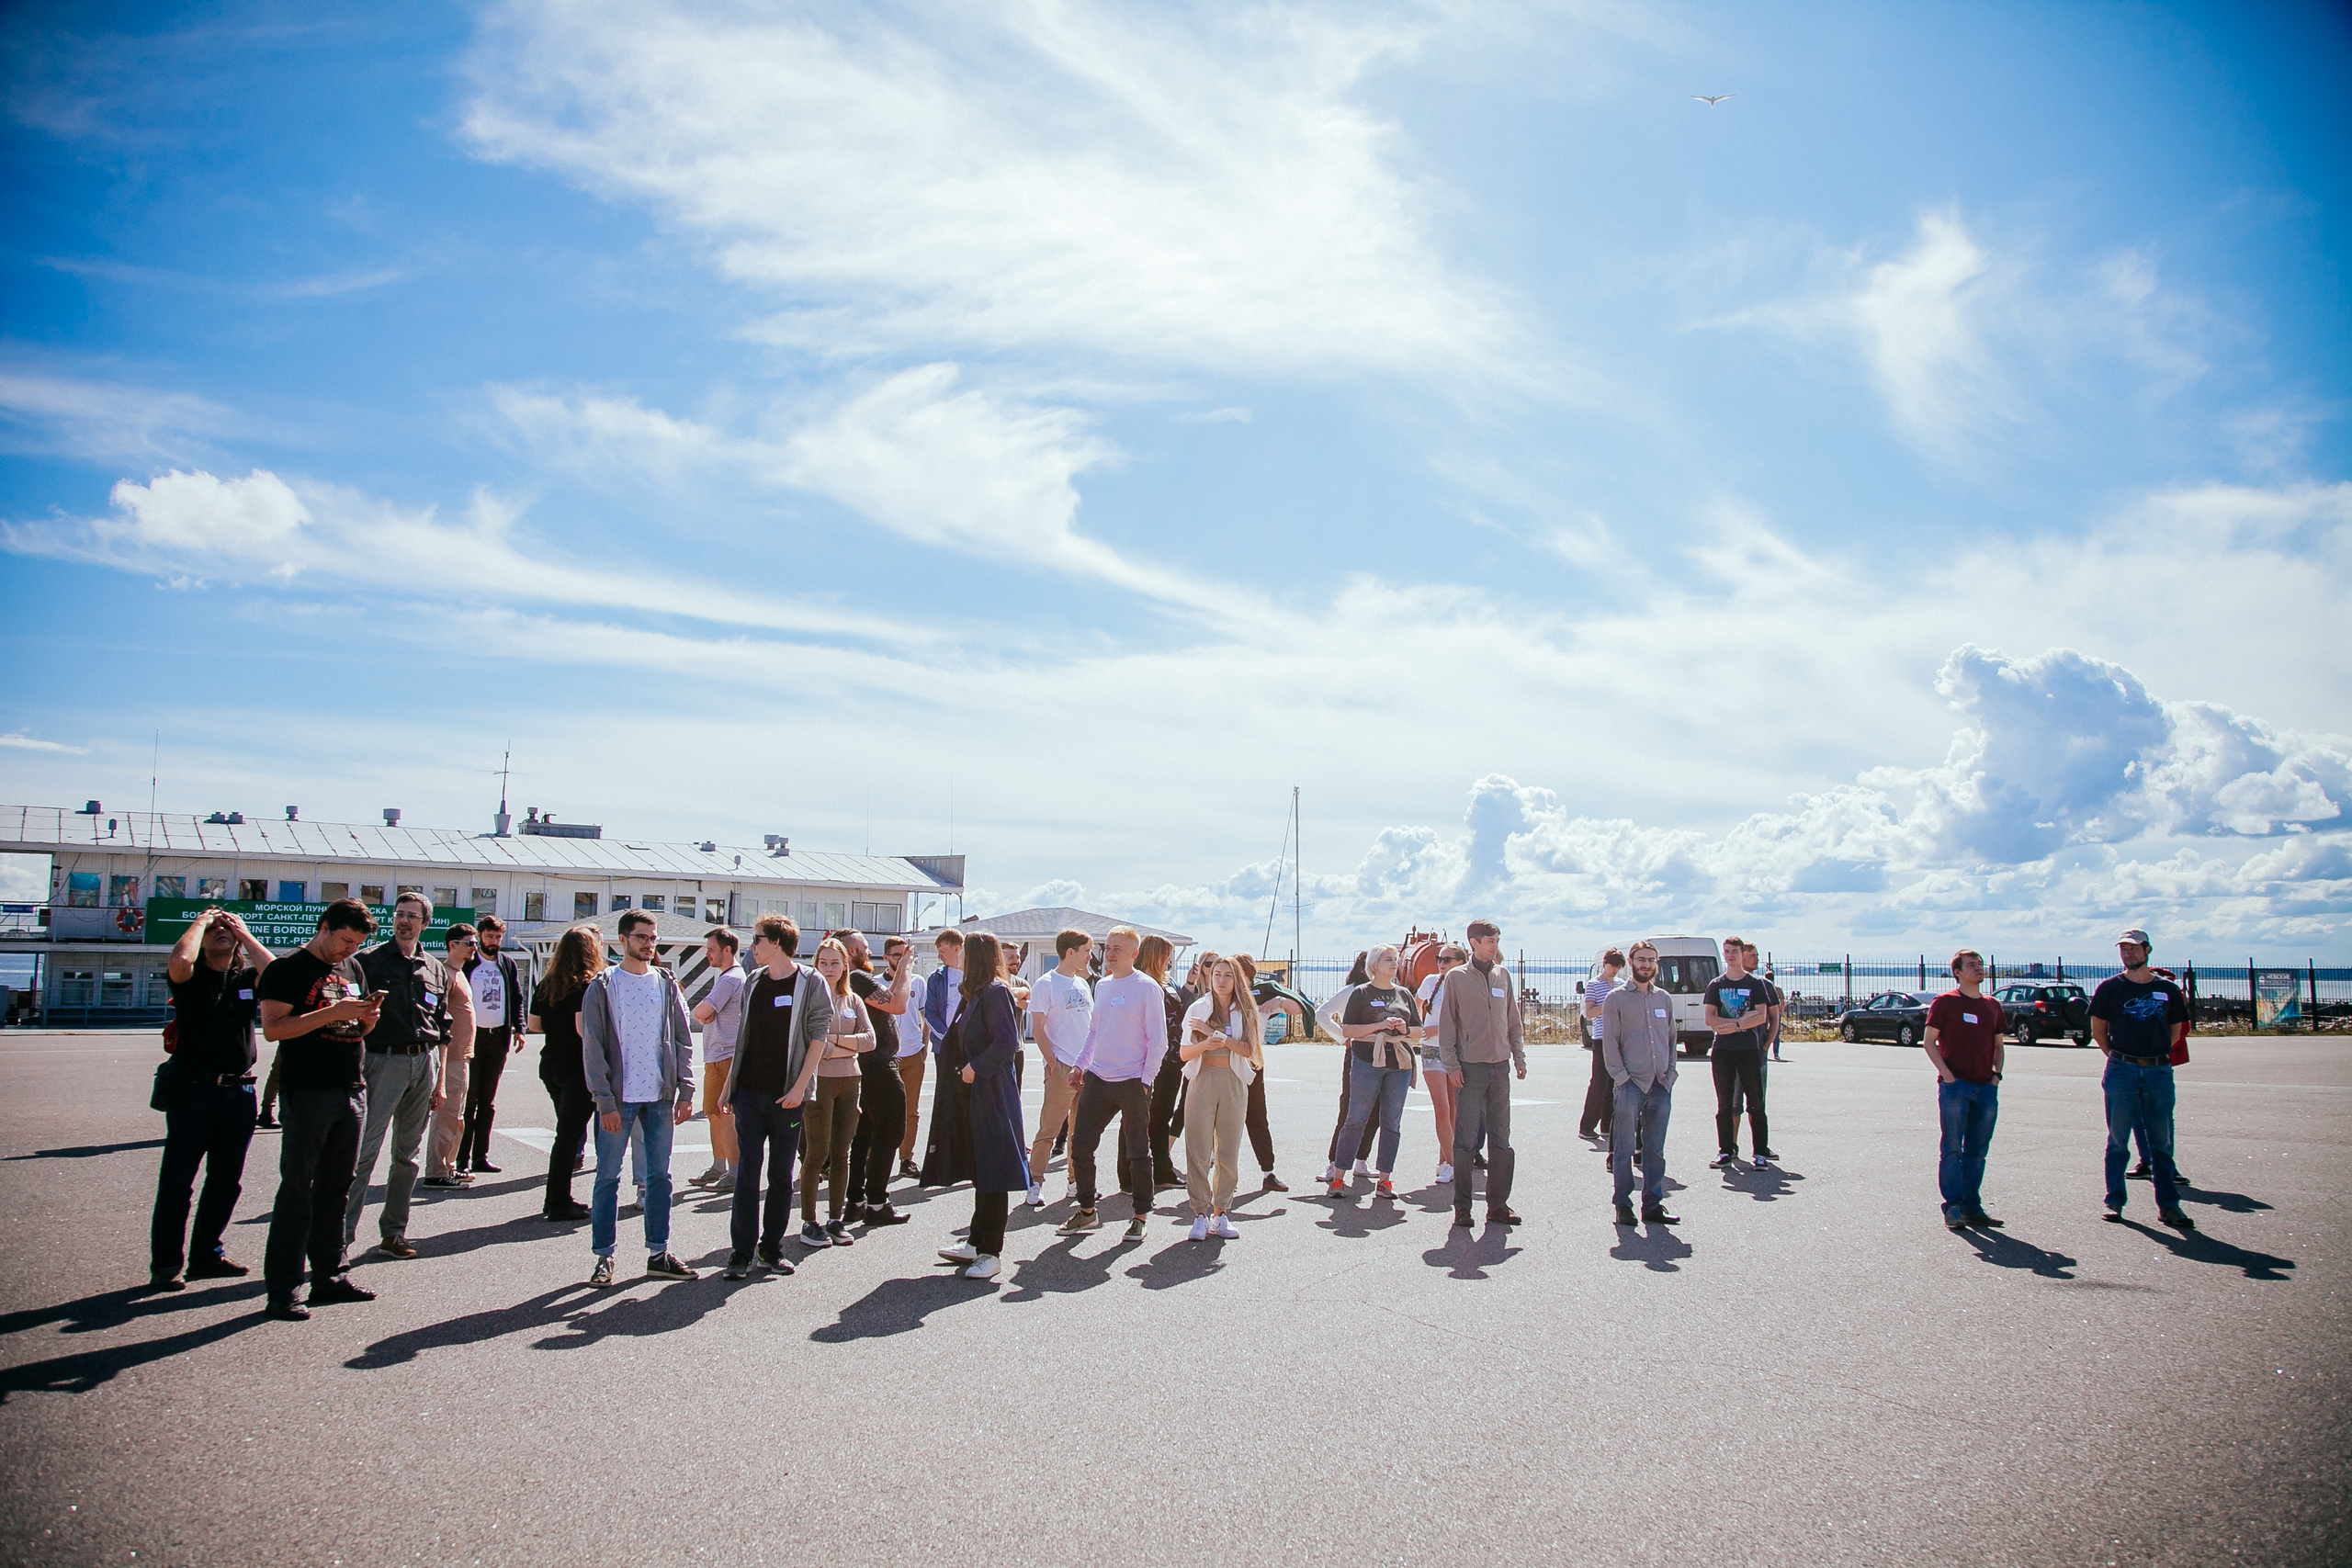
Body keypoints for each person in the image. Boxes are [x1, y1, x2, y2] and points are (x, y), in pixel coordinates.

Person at [256, 898, 384, 1321]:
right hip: (308, 1090)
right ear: (325, 926)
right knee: (297, 1191)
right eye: (345, 940)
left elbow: (356, 1022)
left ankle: (330, 1275)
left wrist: (367, 1019)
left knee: (337, 1189)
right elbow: (274, 1029)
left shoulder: (353, 968)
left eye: (358, 943)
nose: (349, 950)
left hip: (352, 1087)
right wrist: (332, 1011)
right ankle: (284, 1289)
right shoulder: (287, 969)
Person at [150, 907, 275, 1290]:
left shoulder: (246, 976)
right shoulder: (191, 978)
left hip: (239, 1093)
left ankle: (207, 1255)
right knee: (178, 1181)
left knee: (226, 1181)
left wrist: (246, 934)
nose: (222, 931)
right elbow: (179, 959)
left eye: (228, 927)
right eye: (215, 929)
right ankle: (167, 1263)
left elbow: (279, 977)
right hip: (195, 1091)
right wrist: (202, 921)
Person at [579, 908, 699, 1284]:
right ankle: (604, 1257)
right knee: (607, 1179)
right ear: (622, 941)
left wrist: (686, 1087)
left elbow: (683, 1037)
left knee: (660, 1178)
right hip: (620, 1100)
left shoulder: (665, 983)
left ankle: (658, 1253)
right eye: (641, 938)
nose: (649, 944)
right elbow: (594, 1047)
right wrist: (604, 1101)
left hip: (660, 1098)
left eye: (652, 937)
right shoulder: (603, 985)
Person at [718, 915, 832, 1280]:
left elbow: (819, 1036)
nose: (752, 946)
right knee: (747, 1174)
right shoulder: (753, 980)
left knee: (781, 1175)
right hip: (749, 1093)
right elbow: (743, 1038)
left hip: (788, 1097)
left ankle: (771, 1249)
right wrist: (728, 1086)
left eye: (757, 939)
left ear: (778, 943)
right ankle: (741, 1252)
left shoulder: (810, 981)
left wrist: (801, 1086)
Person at [344, 892, 454, 1264]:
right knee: (362, 1155)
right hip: (380, 1062)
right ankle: (339, 1240)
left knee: (407, 1157)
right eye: (399, 915)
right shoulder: (367, 962)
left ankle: (393, 1233)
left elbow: (441, 1026)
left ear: (425, 922)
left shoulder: (435, 968)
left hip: (423, 1063)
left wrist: (439, 1081)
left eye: (412, 916)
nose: (404, 921)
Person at [1057, 927, 1166, 1242]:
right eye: (1109, 948)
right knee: (1081, 1145)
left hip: (1133, 1081)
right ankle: (1087, 1212)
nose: (1112, 953)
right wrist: (1080, 1065)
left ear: (1135, 954)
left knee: (1137, 1151)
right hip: (1098, 1078)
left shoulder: (1147, 988)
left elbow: (1158, 1040)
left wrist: (1145, 1081)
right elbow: (1094, 1032)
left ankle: (1140, 1216)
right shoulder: (1101, 986)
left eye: (1119, 948)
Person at [933, 931, 1028, 1281]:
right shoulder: (974, 994)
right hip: (974, 1093)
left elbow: (1006, 1042)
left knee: (993, 1169)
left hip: (992, 1093)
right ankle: (976, 1241)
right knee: (981, 1166)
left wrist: (976, 1067)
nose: (957, 958)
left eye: (963, 953)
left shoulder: (995, 991)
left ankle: (991, 1252)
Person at [2091, 927, 2194, 1231]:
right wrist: (2120, 1058)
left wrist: (2154, 1057)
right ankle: (2114, 1201)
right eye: (2123, 948)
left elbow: (2176, 1031)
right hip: (2122, 1070)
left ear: (2148, 950)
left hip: (2158, 1071)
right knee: (2118, 1140)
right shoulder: (2110, 988)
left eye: (2134, 948)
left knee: (2161, 1143)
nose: (2128, 953)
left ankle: (2169, 1206)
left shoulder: (2168, 990)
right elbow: (2099, 1031)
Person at [1437, 919, 1525, 1227]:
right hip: (1470, 1070)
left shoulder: (1503, 976)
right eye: (1491, 942)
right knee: (1465, 1143)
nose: (1495, 947)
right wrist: (1452, 1065)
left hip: (1499, 1068)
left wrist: (1519, 1056)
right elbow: (1447, 1025)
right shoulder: (1456, 978)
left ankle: (1498, 1205)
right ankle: (1462, 1207)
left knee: (1501, 1141)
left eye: (1497, 941)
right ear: (1474, 942)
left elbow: (1512, 1020)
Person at [797, 936, 874, 1247]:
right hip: (820, 1083)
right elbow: (810, 1045)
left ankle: (835, 1218)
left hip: (850, 1080)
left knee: (843, 1153)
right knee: (817, 1154)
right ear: (816, 965)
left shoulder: (853, 1000)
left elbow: (869, 1041)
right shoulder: (809, 998)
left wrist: (835, 1042)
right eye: (823, 962)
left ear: (845, 965)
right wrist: (842, 1044)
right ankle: (809, 1221)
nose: (829, 968)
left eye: (835, 963)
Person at [1179, 954, 1262, 1240]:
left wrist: (1222, 1038)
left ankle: (1221, 1212)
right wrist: (1204, 1042)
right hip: (1202, 1080)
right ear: (1209, 978)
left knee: (1228, 1151)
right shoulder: (1198, 1009)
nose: (1222, 981)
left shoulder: (1246, 1011)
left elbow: (1249, 1050)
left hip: (1233, 1083)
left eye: (1228, 976)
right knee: (1198, 1150)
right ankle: (1199, 1213)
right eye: (1217, 975)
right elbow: (1184, 1054)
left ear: (1236, 979)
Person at [1328, 944, 1420, 1200]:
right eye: (1388, 959)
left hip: (1398, 1064)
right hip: (1367, 1060)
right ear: (1375, 964)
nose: (1394, 963)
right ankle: (1338, 1177)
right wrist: (1379, 1025)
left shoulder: (1404, 994)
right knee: (1356, 1118)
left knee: (1391, 1122)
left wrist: (1403, 1028)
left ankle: (1385, 1180)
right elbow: (1348, 1030)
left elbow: (1418, 1031)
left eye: (1395, 959)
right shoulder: (1361, 993)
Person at [1924, 949, 2005, 1231]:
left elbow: (1998, 1045)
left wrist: (1996, 1075)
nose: (1978, 968)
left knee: (1978, 1150)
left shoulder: (1993, 1005)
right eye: (1971, 965)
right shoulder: (1945, 1002)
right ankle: (1953, 1207)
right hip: (1956, 1087)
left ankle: (1973, 1206)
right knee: (1952, 1149)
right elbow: (1929, 1042)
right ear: (1957, 972)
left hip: (1986, 1088)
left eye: (1980, 964)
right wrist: (1947, 1075)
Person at [1600, 942, 1679, 1226]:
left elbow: (1671, 1040)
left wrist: (1669, 1076)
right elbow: (1610, 1043)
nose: (1646, 964)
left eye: (1651, 960)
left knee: (1655, 1150)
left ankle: (1653, 1205)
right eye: (1641, 959)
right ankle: (1623, 1205)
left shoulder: (1663, 999)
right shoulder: (1616, 999)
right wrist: (1622, 1078)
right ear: (1631, 962)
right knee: (1623, 1149)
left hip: (1660, 1084)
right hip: (1630, 1085)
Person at [843, 931, 916, 1227]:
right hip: (878, 1065)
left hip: (857, 1066)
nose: (869, 951)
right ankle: (876, 1203)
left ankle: (856, 1201)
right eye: (864, 947)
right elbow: (897, 1005)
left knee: (861, 1138)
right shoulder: (858, 979)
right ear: (850, 951)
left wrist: (898, 972)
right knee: (889, 1134)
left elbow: (890, 999)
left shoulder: (838, 980)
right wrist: (908, 969)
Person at [531, 926, 603, 1223]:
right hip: (577, 1069)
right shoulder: (586, 986)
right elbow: (581, 1028)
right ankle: (559, 1200)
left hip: (551, 1063)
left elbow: (534, 1024)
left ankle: (555, 1198)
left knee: (565, 1133)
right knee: (568, 1137)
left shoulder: (548, 983)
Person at [1025, 928, 1096, 1206]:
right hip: (1062, 1068)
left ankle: (1074, 1182)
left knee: (1079, 1133)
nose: (1090, 957)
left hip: (1086, 1068)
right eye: (1087, 951)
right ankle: (1035, 1182)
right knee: (1049, 1130)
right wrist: (1054, 1064)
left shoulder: (1081, 983)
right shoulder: (1045, 984)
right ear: (1071, 952)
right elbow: (1038, 1028)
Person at [456, 914, 527, 1175]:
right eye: (489, 937)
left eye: (498, 937)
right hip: (472, 1038)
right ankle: (460, 1158)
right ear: (480, 936)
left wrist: (519, 1028)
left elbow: (516, 999)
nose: (494, 942)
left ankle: (480, 1157)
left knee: (487, 1102)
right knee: (469, 1101)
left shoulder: (505, 964)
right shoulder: (469, 963)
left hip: (498, 1038)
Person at [1702, 937, 1774, 1170]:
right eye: (1726, 951)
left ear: (1742, 954)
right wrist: (1739, 1021)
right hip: (1723, 1051)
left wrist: (1738, 1026)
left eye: (1734, 951)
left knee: (1755, 1103)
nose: (1730, 955)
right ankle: (1725, 1150)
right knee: (1725, 1104)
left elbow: (1761, 1015)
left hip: (1748, 1049)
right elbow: (1709, 1018)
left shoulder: (1755, 984)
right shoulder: (1716, 985)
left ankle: (1760, 1152)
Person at [421, 923, 481, 1190]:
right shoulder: (444, 974)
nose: (474, 947)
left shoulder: (459, 973)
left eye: (475, 943)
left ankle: (448, 1166)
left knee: (457, 1115)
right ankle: (436, 1172)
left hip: (463, 1055)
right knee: (446, 1115)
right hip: (450, 1055)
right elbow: (436, 1019)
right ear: (452, 945)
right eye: (469, 943)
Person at [687, 928, 745, 1192]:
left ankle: (734, 1172)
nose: (707, 954)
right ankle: (719, 1166)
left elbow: (701, 1011)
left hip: (727, 1055)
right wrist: (705, 1015)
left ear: (727, 950)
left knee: (725, 1114)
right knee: (713, 1112)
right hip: (715, 1055)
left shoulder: (731, 979)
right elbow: (701, 1014)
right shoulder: (726, 978)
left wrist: (705, 1015)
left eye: (712, 949)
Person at [1317, 953, 1379, 1183]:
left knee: (1376, 1110)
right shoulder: (1351, 991)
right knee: (1350, 1108)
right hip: (1356, 1054)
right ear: (1364, 967)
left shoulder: (1384, 990)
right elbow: (1321, 1013)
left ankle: (1362, 1160)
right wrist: (1342, 1037)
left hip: (1381, 1054)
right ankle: (1334, 1163)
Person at [1232, 953, 1289, 1192]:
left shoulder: (1260, 997)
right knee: (1223, 1121)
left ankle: (1268, 1171)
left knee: (1257, 1119)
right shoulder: (1223, 998)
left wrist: (1279, 1002)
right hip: (1226, 1064)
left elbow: (1299, 1007)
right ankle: (1222, 1174)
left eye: (1242, 973)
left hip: (1253, 1064)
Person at [1135, 934, 1188, 1191]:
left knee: (1162, 1116)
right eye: (1166, 955)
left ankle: (1162, 1170)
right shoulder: (1141, 982)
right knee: (1148, 1118)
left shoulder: (1168, 983)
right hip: (1153, 1060)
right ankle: (1148, 1172)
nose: (1169, 960)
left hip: (1174, 1059)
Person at [1415, 942, 1467, 1184]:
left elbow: (1468, 1019)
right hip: (1432, 1050)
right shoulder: (1430, 981)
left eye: (1447, 959)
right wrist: (1422, 1027)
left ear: (1459, 961)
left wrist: (1441, 1028)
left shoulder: (1465, 982)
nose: (1442, 964)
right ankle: (1455, 1163)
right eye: (1440, 959)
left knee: (1454, 1111)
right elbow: (1416, 1003)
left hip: (1456, 1052)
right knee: (1442, 1108)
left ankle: (1444, 1162)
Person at [1577, 948, 1624, 1150]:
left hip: (1620, 1038)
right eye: (1612, 966)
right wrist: (1608, 1005)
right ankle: (1587, 1125)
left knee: (1615, 1082)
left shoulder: (1622, 985)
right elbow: (1589, 1013)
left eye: (1618, 967)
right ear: (1605, 963)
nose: (1614, 970)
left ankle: (1608, 1123)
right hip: (1601, 1037)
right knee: (1599, 1081)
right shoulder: (1594, 985)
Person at [894, 943, 930, 1179]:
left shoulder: (918, 982)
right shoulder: (876, 982)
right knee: (879, 1110)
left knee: (911, 1110)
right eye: (896, 955)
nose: (900, 959)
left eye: (905, 955)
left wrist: (925, 1044)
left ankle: (906, 1158)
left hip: (913, 1053)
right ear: (886, 956)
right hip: (886, 1057)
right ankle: (868, 1159)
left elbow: (925, 1015)